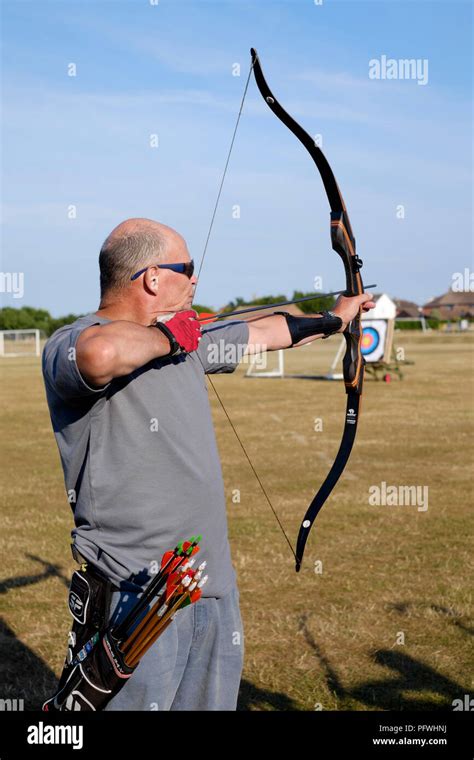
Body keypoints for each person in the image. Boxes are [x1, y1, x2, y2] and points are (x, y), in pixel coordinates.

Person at [42, 217, 374, 710]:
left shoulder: (189, 344)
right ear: (152, 277)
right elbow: (102, 354)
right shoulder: (72, 342)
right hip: (135, 594)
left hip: (207, 585)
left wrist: (335, 319)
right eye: (187, 269)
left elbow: (267, 330)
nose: (196, 280)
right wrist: (175, 337)